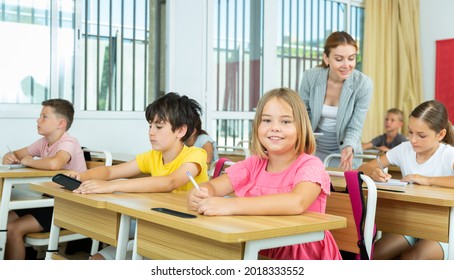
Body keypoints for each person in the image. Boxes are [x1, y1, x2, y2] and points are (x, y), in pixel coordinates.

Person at [187, 87, 342, 260]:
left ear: (301, 128)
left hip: (300, 253)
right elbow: (214, 186)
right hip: (258, 244)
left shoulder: (310, 165)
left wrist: (230, 206)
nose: (275, 128)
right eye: (267, 120)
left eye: (285, 122)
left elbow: (296, 202)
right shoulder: (253, 164)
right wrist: (201, 192)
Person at [69, 92, 209, 260]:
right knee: (96, 260)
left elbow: (170, 182)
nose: (151, 132)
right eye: (150, 126)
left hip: (184, 235)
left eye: (158, 127)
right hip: (154, 226)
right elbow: (111, 171)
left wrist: (112, 186)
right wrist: (80, 176)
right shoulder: (152, 156)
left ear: (180, 130)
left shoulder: (195, 155)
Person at [358, 100, 454, 260]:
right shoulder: (404, 149)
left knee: (412, 258)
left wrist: (428, 180)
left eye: (421, 135)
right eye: (410, 132)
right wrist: (374, 173)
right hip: (411, 225)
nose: (413, 140)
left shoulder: (448, 154)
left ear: (440, 134)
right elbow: (362, 169)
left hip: (444, 229)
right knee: (375, 252)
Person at [2, 98, 86, 260]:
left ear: (61, 124)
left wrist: (29, 161)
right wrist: (8, 157)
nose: (38, 120)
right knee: (2, 220)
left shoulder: (69, 142)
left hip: (68, 206)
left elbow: (55, 163)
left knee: (13, 229)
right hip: (47, 202)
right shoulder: (43, 142)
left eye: (44, 117)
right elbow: (16, 154)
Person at [299, 31, 373, 171]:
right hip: (313, 152)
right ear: (326, 58)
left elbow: (355, 126)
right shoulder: (310, 77)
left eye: (351, 58)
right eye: (339, 59)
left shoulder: (363, 84)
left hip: (345, 153)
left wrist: (348, 146)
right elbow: (303, 115)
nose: (346, 65)